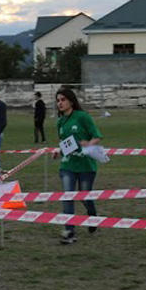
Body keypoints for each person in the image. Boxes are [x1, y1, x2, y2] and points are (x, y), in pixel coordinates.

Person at [52, 87, 102, 245]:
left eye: (63, 100)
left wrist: (88, 145)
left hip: (86, 165)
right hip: (68, 166)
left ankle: (92, 215)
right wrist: (59, 151)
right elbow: (66, 145)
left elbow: (97, 136)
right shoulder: (60, 122)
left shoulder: (82, 117)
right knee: (68, 196)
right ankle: (70, 232)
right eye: (58, 100)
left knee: (85, 196)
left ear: (71, 101)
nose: (60, 103)